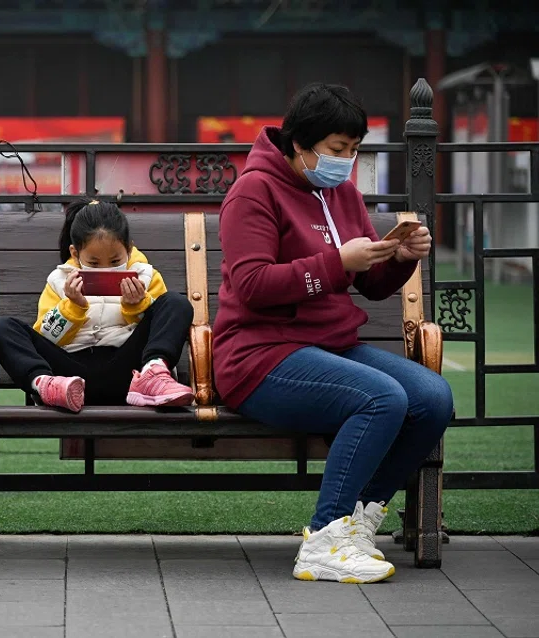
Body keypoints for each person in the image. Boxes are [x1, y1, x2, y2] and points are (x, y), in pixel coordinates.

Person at [211, 83, 453, 584]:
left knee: (432, 396)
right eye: (338, 150)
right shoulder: (252, 191)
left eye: (354, 150)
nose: (347, 161)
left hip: (332, 348)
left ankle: (357, 526)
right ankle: (324, 540)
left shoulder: (341, 192)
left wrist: (400, 259)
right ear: (301, 145)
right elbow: (253, 286)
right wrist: (335, 262)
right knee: (382, 397)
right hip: (259, 355)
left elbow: (369, 283)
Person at [0, 199, 196, 411]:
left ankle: (152, 374)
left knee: (176, 303)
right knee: (3, 329)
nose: (105, 270)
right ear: (75, 253)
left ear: (129, 248)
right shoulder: (59, 280)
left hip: (129, 372)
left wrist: (137, 305)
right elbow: (47, 337)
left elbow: (159, 330)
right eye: (94, 263)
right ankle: (45, 385)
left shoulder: (146, 276)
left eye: (116, 262)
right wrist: (72, 308)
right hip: (70, 376)